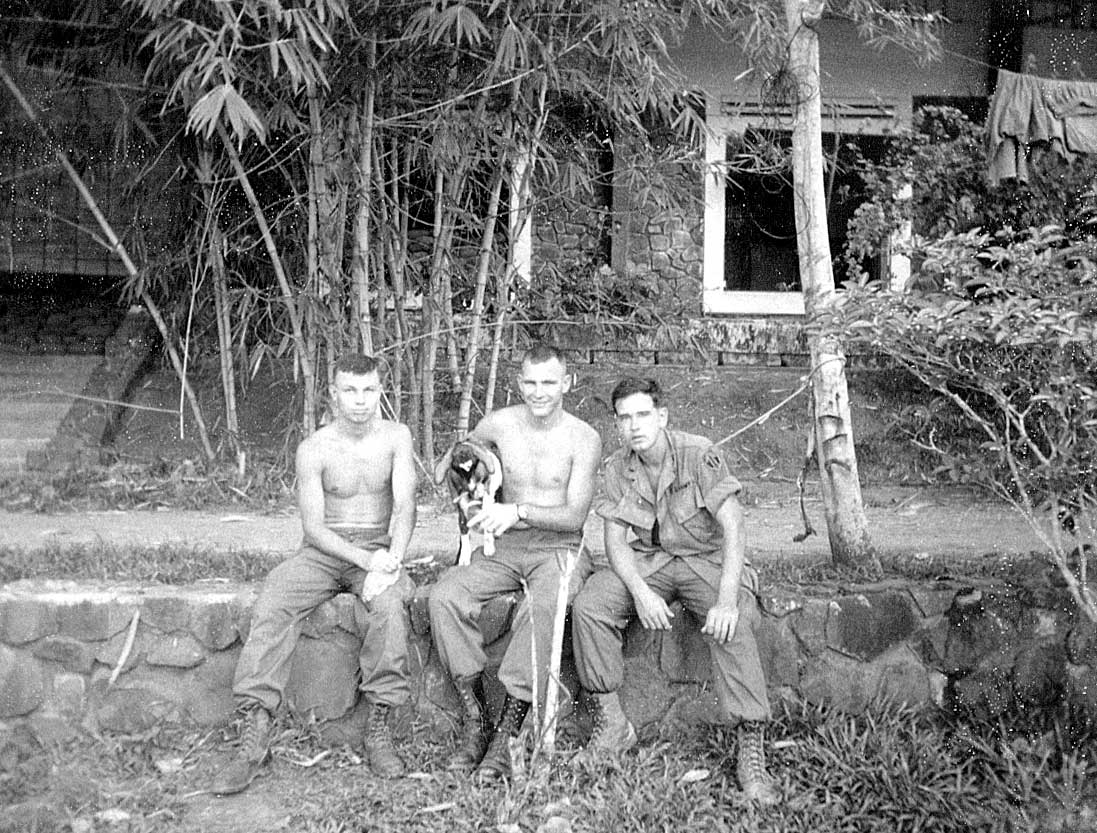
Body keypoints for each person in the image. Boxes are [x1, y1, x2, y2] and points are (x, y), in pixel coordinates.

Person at [210, 354, 417, 795]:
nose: (360, 401)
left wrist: (392, 558)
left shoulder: (397, 438)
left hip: (380, 548)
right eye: (350, 390)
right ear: (334, 394)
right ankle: (256, 730)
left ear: (381, 391)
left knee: (391, 606)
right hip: (326, 553)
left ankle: (379, 727)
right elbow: (315, 529)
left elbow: (404, 507)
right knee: (275, 596)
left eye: (368, 390)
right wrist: (364, 562)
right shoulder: (315, 448)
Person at [570, 377, 779, 805]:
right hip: (653, 563)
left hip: (707, 561)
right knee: (591, 604)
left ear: (661, 417)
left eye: (642, 414)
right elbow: (614, 541)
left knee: (732, 619)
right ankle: (612, 723)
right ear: (616, 423)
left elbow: (734, 525)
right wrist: (641, 593)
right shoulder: (616, 467)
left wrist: (724, 599)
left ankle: (751, 745)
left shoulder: (698, 454)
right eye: (624, 417)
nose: (634, 426)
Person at [428, 343, 602, 782]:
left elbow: (574, 517)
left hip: (558, 548)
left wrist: (516, 511)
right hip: (501, 547)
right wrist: (462, 470)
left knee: (541, 608)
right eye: (530, 382)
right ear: (518, 382)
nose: (539, 392)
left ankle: (509, 729)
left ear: (567, 383)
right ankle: (476, 716)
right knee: (446, 595)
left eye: (549, 382)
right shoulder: (499, 424)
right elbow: (448, 470)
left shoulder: (584, 437)